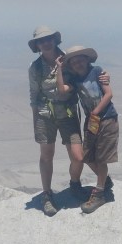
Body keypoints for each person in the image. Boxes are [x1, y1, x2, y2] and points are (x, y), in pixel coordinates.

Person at [28, 26, 84, 216]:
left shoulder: (68, 60)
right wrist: (35, 122)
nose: (46, 42)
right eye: (42, 40)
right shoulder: (35, 68)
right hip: (45, 114)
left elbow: (85, 72)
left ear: (55, 40)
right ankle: (47, 194)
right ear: (37, 45)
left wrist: (104, 77)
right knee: (46, 155)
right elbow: (34, 95)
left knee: (78, 156)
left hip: (67, 112)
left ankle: (75, 183)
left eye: (49, 38)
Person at [55, 45, 118, 214]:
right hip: (92, 122)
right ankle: (104, 182)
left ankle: (99, 193)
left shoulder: (97, 71)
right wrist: (59, 69)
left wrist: (95, 113)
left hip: (106, 119)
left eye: (80, 59)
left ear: (87, 59)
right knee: (87, 156)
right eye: (73, 61)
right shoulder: (75, 80)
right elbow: (61, 90)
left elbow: (108, 94)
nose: (77, 63)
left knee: (101, 158)